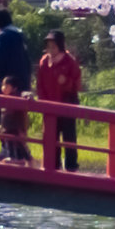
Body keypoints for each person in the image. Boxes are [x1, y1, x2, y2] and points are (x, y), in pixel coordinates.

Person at [35, 29, 83, 170]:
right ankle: (53, 166)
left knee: (69, 138)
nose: (50, 50)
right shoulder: (44, 62)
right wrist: (43, 103)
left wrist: (66, 81)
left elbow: (77, 84)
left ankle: (71, 167)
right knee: (51, 137)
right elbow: (40, 85)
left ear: (60, 46)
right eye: (48, 46)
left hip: (67, 105)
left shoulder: (70, 61)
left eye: (53, 46)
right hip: (49, 105)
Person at [0, 75, 33, 163]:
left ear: (14, 88)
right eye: (3, 85)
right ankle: (16, 157)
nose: (3, 88)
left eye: (6, 86)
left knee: (19, 143)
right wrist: (1, 126)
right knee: (9, 142)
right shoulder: (4, 98)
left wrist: (28, 95)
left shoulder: (17, 96)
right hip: (7, 126)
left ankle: (25, 157)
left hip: (16, 126)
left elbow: (24, 95)